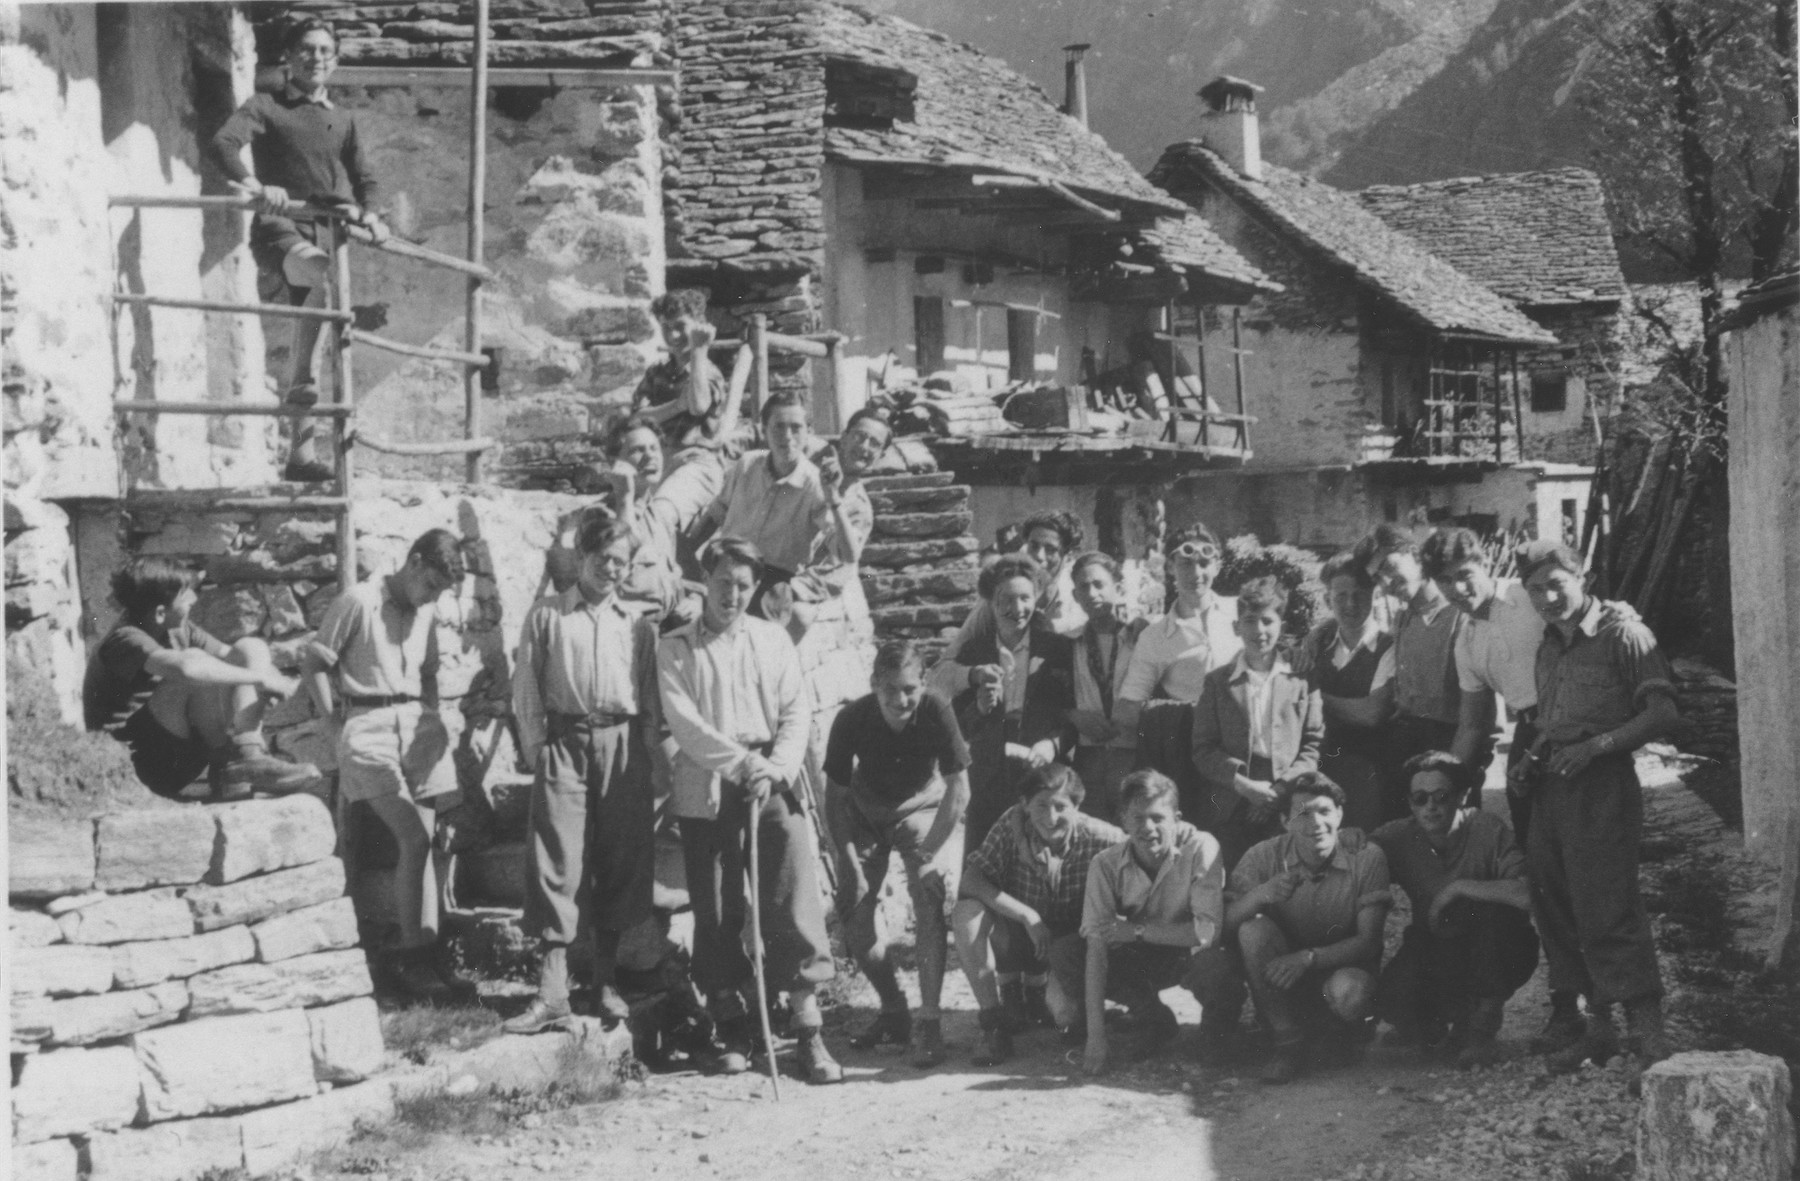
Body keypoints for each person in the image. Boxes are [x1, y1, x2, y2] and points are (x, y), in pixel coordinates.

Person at [657, 538, 842, 1084]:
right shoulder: (675, 647)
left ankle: (808, 1030)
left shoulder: (773, 640)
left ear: (755, 587)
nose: (732, 594)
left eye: (743, 584)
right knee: (716, 910)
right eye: (722, 582)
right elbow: (684, 723)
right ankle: (733, 1026)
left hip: (770, 785)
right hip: (708, 785)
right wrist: (743, 765)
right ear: (703, 580)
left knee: (789, 896)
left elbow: (796, 711)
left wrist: (776, 768)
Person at [1515, 540, 1680, 1086]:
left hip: (1602, 785)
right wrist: (1530, 757)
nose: (1547, 597)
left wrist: (1599, 746)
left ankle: (1648, 1035)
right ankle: (1598, 1026)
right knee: (1557, 905)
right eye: (1535, 589)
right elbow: (1554, 720)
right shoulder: (1547, 645)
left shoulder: (1623, 634)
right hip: (1552, 789)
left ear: (1579, 574)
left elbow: (1662, 713)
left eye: (1555, 583)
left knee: (1607, 904)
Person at [211, 18, 387, 483]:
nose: (317, 58)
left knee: (309, 352)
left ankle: (301, 458)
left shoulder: (342, 118)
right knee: (315, 271)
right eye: (307, 50)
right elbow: (224, 142)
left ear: (336, 60)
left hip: (327, 232)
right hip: (280, 227)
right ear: (288, 58)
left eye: (326, 51)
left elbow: (364, 175)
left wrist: (370, 212)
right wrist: (254, 184)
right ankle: (301, 450)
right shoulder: (267, 106)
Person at [505, 513, 662, 1034]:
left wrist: (647, 758)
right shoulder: (548, 616)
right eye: (602, 560)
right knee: (558, 858)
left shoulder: (637, 625)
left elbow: (649, 696)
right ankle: (551, 993)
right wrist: (534, 748)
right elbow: (526, 683)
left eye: (621, 563)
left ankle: (605, 982)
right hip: (565, 743)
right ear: (580, 559)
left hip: (622, 745)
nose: (611, 570)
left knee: (619, 860)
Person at [301, 530, 465, 999]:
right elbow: (314, 662)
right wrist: (336, 728)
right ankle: (411, 958)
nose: (432, 596)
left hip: (418, 724)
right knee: (412, 838)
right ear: (413, 563)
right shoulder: (359, 601)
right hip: (368, 725)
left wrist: (432, 717)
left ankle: (430, 956)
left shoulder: (426, 609)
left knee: (430, 844)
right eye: (430, 584)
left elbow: (429, 670)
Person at [825, 640, 970, 1069]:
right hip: (867, 810)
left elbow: (959, 790)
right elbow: (835, 797)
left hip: (921, 807)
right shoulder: (852, 718)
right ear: (873, 684)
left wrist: (927, 855)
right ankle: (893, 1010)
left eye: (909, 688)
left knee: (929, 894)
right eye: (889, 689)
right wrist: (848, 859)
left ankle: (929, 1020)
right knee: (853, 908)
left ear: (923, 683)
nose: (900, 699)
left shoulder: (935, 710)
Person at [1191, 772, 1391, 1084]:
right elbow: (1222, 927)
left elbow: (1369, 941)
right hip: (1278, 973)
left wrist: (1308, 958)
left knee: (1352, 993)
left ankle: (1338, 1030)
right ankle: (1286, 1041)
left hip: (1336, 966)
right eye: (1303, 814)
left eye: (1325, 811)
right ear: (1285, 821)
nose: (1316, 824)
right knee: (1252, 929)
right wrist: (1261, 895)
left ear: (1340, 814)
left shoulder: (1365, 857)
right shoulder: (1262, 856)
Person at [83, 557, 321, 801]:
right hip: (138, 762)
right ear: (160, 613)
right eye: (185, 595)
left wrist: (270, 679)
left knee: (252, 647)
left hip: (179, 752)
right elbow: (188, 669)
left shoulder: (176, 628)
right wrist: (258, 680)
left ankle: (245, 758)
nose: (194, 600)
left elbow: (237, 658)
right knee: (194, 662)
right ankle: (238, 764)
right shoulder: (124, 639)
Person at [1372, 751, 1538, 1068]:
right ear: (1409, 802)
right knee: (1392, 999)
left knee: (1491, 916)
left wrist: (1458, 888)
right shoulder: (1397, 836)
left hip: (1493, 945)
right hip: (1435, 943)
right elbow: (1358, 861)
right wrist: (1351, 838)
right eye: (1420, 798)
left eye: (1441, 796)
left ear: (1461, 796)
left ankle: (1480, 1028)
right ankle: (1436, 1023)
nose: (1430, 807)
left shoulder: (1487, 829)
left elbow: (1527, 893)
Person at [955, 763, 1124, 1066]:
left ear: (1077, 806)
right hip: (1023, 935)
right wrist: (1026, 915)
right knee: (967, 912)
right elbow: (971, 879)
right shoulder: (1012, 827)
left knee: (1064, 1016)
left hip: (1068, 945)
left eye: (1061, 806)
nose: (1050, 817)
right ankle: (993, 1023)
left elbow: (1136, 854)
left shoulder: (1101, 837)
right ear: (1024, 805)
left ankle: (1050, 1000)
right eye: (1041, 805)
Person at [1079, 770, 1225, 1076]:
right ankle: (1153, 1018)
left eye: (1158, 818)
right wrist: (1096, 1038)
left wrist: (1135, 931)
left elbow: (1207, 932)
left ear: (1177, 818)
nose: (1148, 828)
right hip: (1145, 952)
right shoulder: (1105, 863)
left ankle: (1217, 1030)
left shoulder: (1200, 847)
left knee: (1216, 963)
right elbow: (1096, 944)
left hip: (1188, 951)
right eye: (1138, 818)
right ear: (1123, 820)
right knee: (1070, 955)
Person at [1420, 527, 1546, 841]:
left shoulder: (1528, 596)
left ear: (1485, 562)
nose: (1458, 589)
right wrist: (1445, 779)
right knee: (1531, 836)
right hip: (1528, 731)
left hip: (1573, 719)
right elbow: (1472, 725)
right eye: (1445, 581)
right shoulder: (1466, 641)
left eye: (1464, 574)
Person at [1192, 577, 1326, 868]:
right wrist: (1243, 786)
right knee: (1229, 873)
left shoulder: (1301, 678)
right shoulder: (1218, 682)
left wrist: (1279, 791)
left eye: (1268, 621)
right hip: (1231, 796)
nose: (1259, 630)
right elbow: (1203, 749)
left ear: (1281, 626)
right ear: (1236, 627)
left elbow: (1313, 745)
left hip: (1287, 795)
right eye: (1250, 621)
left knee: (1285, 872)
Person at [950, 554, 1078, 848]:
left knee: (1040, 850)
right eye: (1006, 600)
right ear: (991, 603)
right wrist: (979, 708)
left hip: (1041, 766)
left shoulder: (1056, 649)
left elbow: (1072, 713)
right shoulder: (974, 651)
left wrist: (1053, 744)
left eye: (1025, 598)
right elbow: (960, 723)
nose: (1017, 609)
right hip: (990, 768)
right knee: (985, 852)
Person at [698, 390, 858, 618]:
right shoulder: (747, 465)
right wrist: (685, 564)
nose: (787, 436)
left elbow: (847, 555)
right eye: (778, 427)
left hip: (773, 582)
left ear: (809, 432)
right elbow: (715, 515)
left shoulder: (814, 484)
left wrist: (833, 498)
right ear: (764, 431)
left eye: (796, 427)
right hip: (727, 567)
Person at [1358, 524, 1465, 822]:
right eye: (1377, 577)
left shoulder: (1458, 613)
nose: (1386, 581)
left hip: (1449, 748)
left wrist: (1461, 769)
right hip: (1406, 749)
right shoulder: (1404, 617)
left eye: (1389, 567)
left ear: (1414, 555)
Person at [925, 510, 1089, 700]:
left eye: (1051, 549)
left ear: (1068, 556)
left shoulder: (1076, 609)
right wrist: (974, 675)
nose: (1039, 556)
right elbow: (940, 673)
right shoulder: (996, 603)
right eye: (1033, 546)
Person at [1295, 552, 1395, 833]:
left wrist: (1312, 695)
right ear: (1327, 600)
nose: (1351, 604)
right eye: (1341, 596)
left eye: (1360, 594)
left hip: (1369, 770)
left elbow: (1370, 713)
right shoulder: (1317, 643)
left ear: (1374, 596)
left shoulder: (1390, 647)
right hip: (1319, 764)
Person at [1064, 552, 1147, 820]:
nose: (1091, 593)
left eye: (1099, 584)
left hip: (1133, 755)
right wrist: (1073, 716)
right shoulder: (1068, 643)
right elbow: (1050, 698)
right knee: (1092, 833)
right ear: (1075, 596)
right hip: (1089, 758)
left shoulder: (1141, 639)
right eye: (1083, 587)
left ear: (1118, 589)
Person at [631, 289, 728, 447]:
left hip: (697, 456)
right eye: (666, 327)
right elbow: (636, 418)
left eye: (680, 326)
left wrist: (698, 349)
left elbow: (698, 407)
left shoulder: (708, 371)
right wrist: (678, 406)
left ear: (699, 325)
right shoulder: (656, 371)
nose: (673, 335)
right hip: (660, 455)